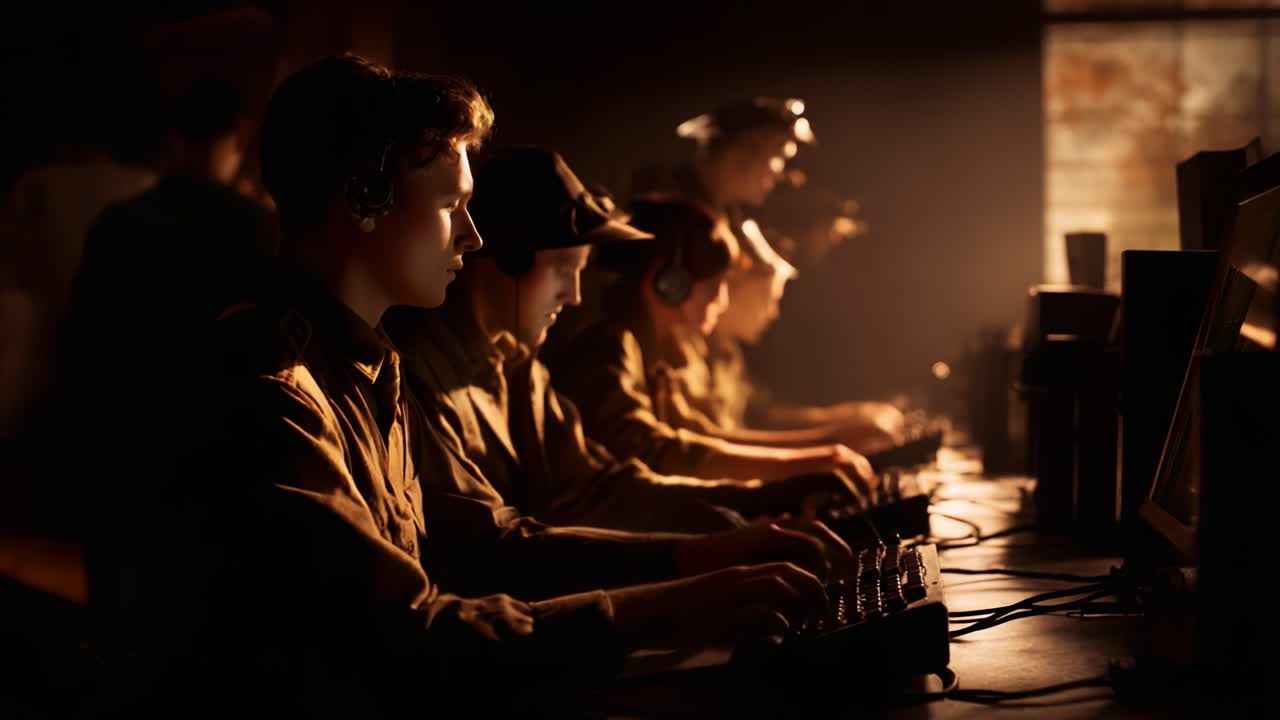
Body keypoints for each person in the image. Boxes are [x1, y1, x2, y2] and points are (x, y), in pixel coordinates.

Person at [112, 56, 828, 712]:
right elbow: (402, 636)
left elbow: (490, 542)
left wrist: (693, 565)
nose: (472, 237)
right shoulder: (271, 387)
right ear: (365, 194)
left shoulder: (366, 365)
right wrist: (668, 604)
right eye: (451, 205)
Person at [382, 147, 854, 602]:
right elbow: (495, 550)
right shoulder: (420, 371)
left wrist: (745, 510)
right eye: (564, 268)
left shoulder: (517, 364)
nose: (574, 296)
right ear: (509, 255)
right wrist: (692, 554)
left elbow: (596, 485)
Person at [549, 196, 876, 502]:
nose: (722, 299)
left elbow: (701, 436)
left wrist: (822, 451)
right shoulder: (608, 348)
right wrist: (804, 461)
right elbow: (652, 451)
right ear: (667, 282)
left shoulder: (657, 351)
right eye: (713, 285)